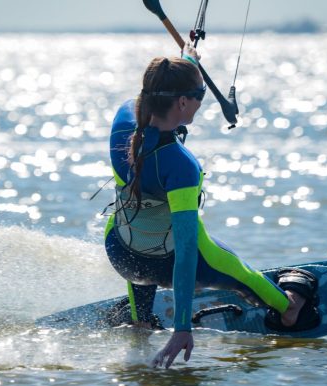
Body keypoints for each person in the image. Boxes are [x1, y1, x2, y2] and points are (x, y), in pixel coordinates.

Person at [104, 45, 310, 369]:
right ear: (183, 102)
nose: (202, 101)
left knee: (137, 222)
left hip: (121, 254)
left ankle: (140, 321)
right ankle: (289, 309)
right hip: (162, 264)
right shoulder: (181, 166)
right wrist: (181, 329)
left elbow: (157, 91)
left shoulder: (125, 116)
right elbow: (185, 253)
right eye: (200, 94)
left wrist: (188, 61)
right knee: (219, 257)